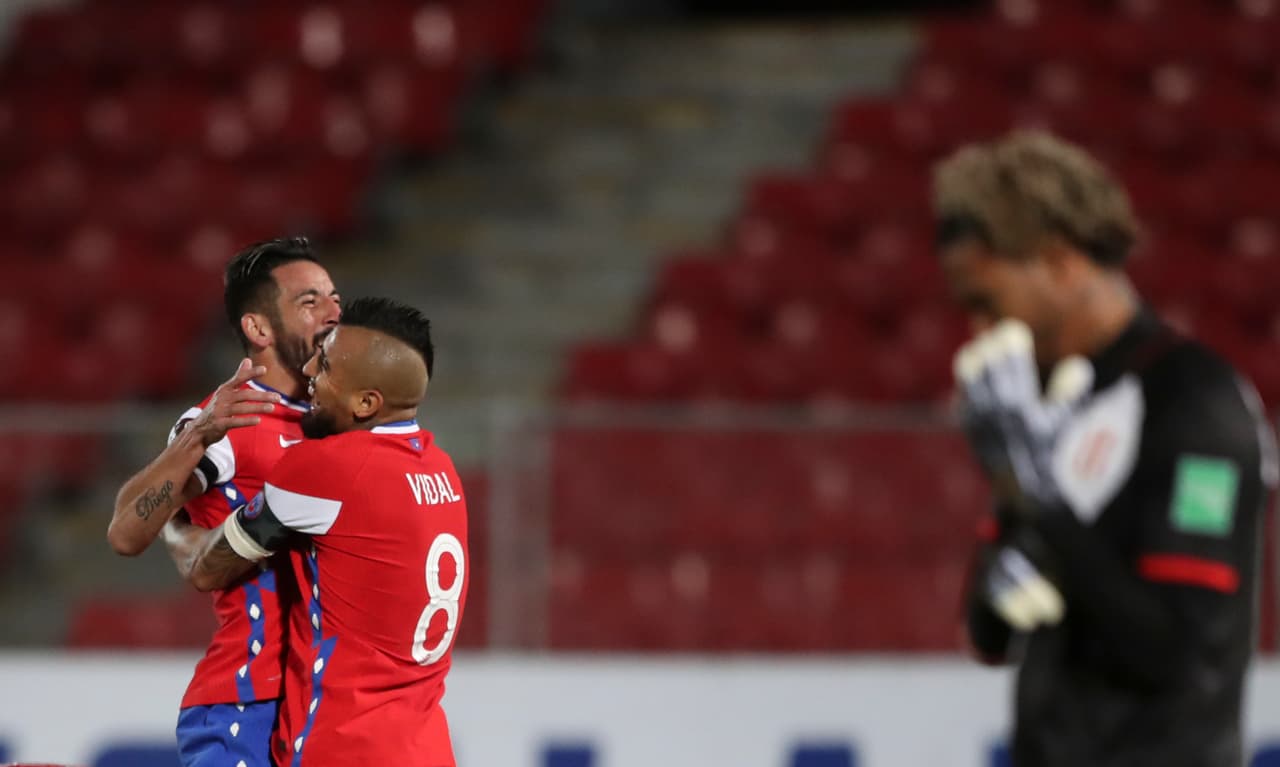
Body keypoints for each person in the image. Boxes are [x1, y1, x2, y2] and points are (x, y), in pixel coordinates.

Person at [934, 130, 1277, 767]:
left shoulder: (1194, 404)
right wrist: (1012, 532)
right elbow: (988, 635)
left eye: (988, 302)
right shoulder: (1051, 406)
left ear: (1062, 264)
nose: (977, 332)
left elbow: (1179, 653)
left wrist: (1040, 507)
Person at [185, 296, 468, 767]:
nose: (310, 368)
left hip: (342, 745)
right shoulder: (442, 470)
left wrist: (188, 497)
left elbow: (209, 566)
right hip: (426, 748)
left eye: (328, 364)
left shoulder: (327, 469)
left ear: (366, 402)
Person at [106, 237, 341, 767]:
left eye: (335, 299)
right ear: (258, 329)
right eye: (310, 302)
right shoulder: (237, 419)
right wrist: (196, 438)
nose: (333, 314)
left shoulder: (334, 417)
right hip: (250, 700)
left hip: (321, 698)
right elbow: (125, 533)